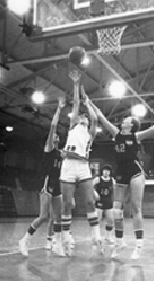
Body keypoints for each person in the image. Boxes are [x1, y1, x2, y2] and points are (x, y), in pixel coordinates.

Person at [92, 95, 154, 260]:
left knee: (135, 209)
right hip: (121, 173)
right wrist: (89, 101)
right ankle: (120, 242)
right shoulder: (116, 133)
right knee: (116, 211)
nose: (124, 119)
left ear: (131, 125)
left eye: (127, 118)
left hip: (136, 172)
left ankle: (139, 245)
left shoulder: (136, 136)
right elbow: (102, 117)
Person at [59, 70, 102, 255]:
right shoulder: (72, 127)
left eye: (84, 117)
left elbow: (94, 118)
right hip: (68, 166)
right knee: (67, 205)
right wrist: (76, 84)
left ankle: (96, 235)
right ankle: (66, 238)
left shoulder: (90, 133)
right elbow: (75, 104)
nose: (83, 117)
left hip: (83, 167)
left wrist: (87, 102)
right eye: (81, 116)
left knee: (90, 202)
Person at [19, 96, 65, 257]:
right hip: (47, 182)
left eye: (57, 135)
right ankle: (25, 239)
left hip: (58, 184)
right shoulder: (49, 148)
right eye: (53, 135)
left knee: (58, 217)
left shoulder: (61, 153)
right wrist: (59, 109)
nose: (56, 135)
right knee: (44, 216)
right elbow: (53, 125)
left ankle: (57, 244)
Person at [93, 165, 116, 244]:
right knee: (97, 220)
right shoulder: (98, 179)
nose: (106, 172)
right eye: (104, 170)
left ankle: (107, 237)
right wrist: (95, 194)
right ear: (102, 171)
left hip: (108, 201)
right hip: (100, 201)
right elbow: (90, 187)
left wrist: (114, 201)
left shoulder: (112, 180)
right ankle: (96, 237)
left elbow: (114, 190)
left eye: (108, 171)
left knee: (110, 220)